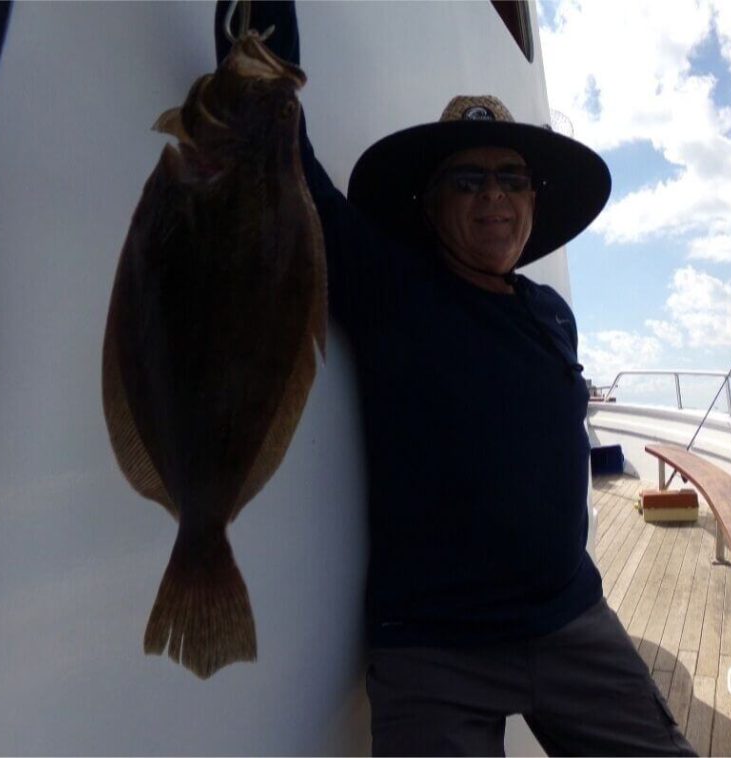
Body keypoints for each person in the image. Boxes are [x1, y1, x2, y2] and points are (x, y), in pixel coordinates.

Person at [216, 3, 696, 755]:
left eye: (512, 179)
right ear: (430, 204)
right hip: (435, 649)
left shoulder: (550, 315)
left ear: (535, 201)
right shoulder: (391, 285)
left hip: (571, 619)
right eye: (468, 180)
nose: (494, 197)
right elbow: (299, 180)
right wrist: (265, 64)